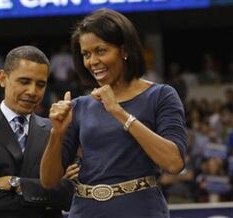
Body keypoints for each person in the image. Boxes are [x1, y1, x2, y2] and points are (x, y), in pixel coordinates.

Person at [40, 8, 188, 218]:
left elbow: (174, 163)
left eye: (101, 51)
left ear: (125, 50)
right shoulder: (79, 106)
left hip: (141, 210)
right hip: (85, 211)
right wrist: (57, 133)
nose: (92, 61)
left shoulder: (161, 95)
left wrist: (119, 112)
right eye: (86, 54)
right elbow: (48, 180)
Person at [0, 45, 74, 218]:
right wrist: (45, 199)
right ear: (3, 78)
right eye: (24, 82)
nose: (33, 91)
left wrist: (16, 183)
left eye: (40, 84)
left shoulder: (58, 130)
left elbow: (70, 193)